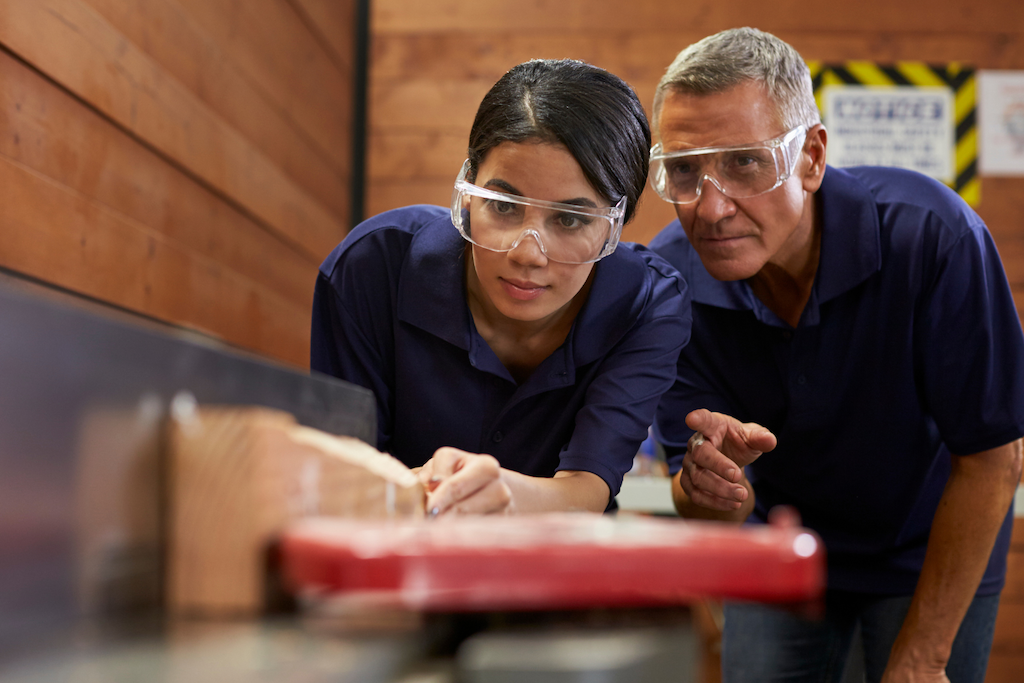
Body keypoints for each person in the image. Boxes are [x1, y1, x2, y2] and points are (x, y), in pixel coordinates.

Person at [647, 27, 1024, 683]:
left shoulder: (932, 237)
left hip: (928, 543)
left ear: (812, 158)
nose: (710, 206)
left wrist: (923, 658)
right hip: (780, 547)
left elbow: (994, 459)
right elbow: (702, 500)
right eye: (684, 169)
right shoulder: (670, 281)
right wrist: (711, 486)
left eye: (744, 162)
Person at [312, 59, 690, 518]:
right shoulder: (372, 267)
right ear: (469, 189)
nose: (528, 253)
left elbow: (588, 487)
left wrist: (499, 494)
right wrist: (416, 491)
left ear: (616, 225)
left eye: (570, 220)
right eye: (505, 208)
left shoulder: (648, 303)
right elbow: (339, 477)